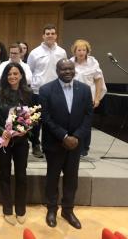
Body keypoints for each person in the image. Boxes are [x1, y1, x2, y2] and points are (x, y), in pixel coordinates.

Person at [39, 59, 93, 229]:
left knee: (71, 179)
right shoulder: (46, 89)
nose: (67, 72)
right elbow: (45, 118)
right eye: (63, 69)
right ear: (57, 71)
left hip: (76, 144)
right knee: (52, 178)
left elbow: (88, 116)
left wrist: (76, 137)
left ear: (74, 70)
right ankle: (52, 209)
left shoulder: (84, 90)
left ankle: (68, 210)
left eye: (70, 69)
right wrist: (63, 136)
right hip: (55, 143)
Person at [0, 63, 32, 226]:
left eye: (16, 74)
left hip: (22, 141)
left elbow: (34, 116)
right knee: (5, 175)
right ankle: (7, 209)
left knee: (21, 176)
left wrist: (26, 130)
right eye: (9, 74)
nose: (12, 77)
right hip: (4, 140)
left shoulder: (28, 93)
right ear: (5, 76)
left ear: (21, 75)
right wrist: (1, 130)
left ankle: (21, 209)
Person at [27, 24, 67, 158]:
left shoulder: (62, 52)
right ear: (43, 36)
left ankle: (49, 145)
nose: (50, 35)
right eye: (47, 33)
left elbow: (64, 70)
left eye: (52, 33)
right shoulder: (35, 52)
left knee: (52, 121)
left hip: (56, 92)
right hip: (38, 92)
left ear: (56, 35)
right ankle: (35, 145)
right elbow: (30, 72)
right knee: (36, 121)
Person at [70, 39, 107, 156]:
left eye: (84, 50)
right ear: (74, 51)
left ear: (87, 51)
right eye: (79, 50)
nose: (81, 52)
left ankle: (84, 147)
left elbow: (98, 81)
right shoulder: (70, 62)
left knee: (86, 123)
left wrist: (97, 98)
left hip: (88, 97)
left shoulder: (93, 62)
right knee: (74, 122)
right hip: (73, 98)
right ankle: (73, 144)